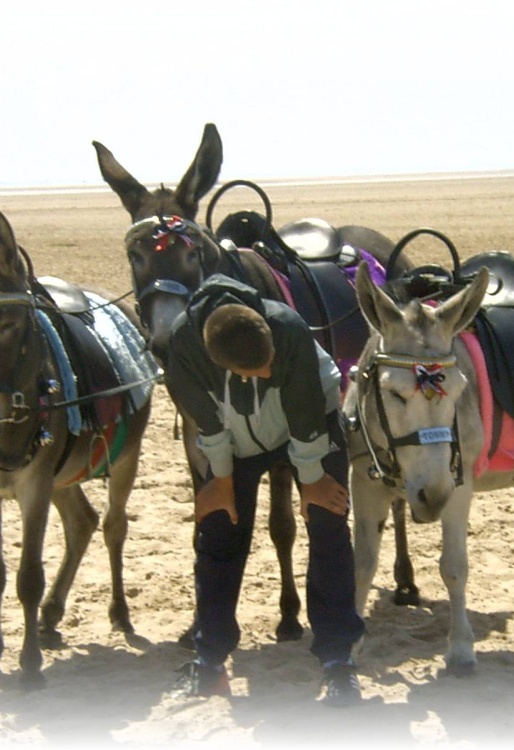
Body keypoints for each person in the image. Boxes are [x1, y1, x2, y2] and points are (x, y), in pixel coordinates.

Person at [163, 274, 365, 707]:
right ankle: (210, 660)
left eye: (270, 362)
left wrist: (311, 479)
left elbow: (306, 408)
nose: (269, 371)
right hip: (235, 439)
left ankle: (338, 663)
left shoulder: (286, 328)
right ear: (223, 366)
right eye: (259, 371)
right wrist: (219, 480)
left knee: (329, 523)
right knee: (218, 531)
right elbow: (207, 420)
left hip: (308, 423)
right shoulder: (183, 347)